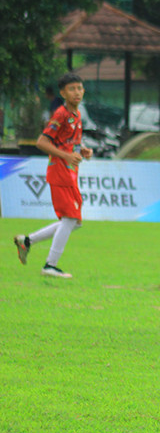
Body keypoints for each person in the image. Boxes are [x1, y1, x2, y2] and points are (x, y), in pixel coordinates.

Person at [13, 72, 93, 279]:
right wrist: (66, 156)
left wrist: (82, 149)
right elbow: (42, 142)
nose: (77, 92)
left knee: (74, 222)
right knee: (71, 218)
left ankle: (27, 241)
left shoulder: (76, 115)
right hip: (60, 171)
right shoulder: (61, 114)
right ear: (62, 93)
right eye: (72, 89)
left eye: (79, 88)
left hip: (70, 172)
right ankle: (50, 265)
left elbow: (68, 141)